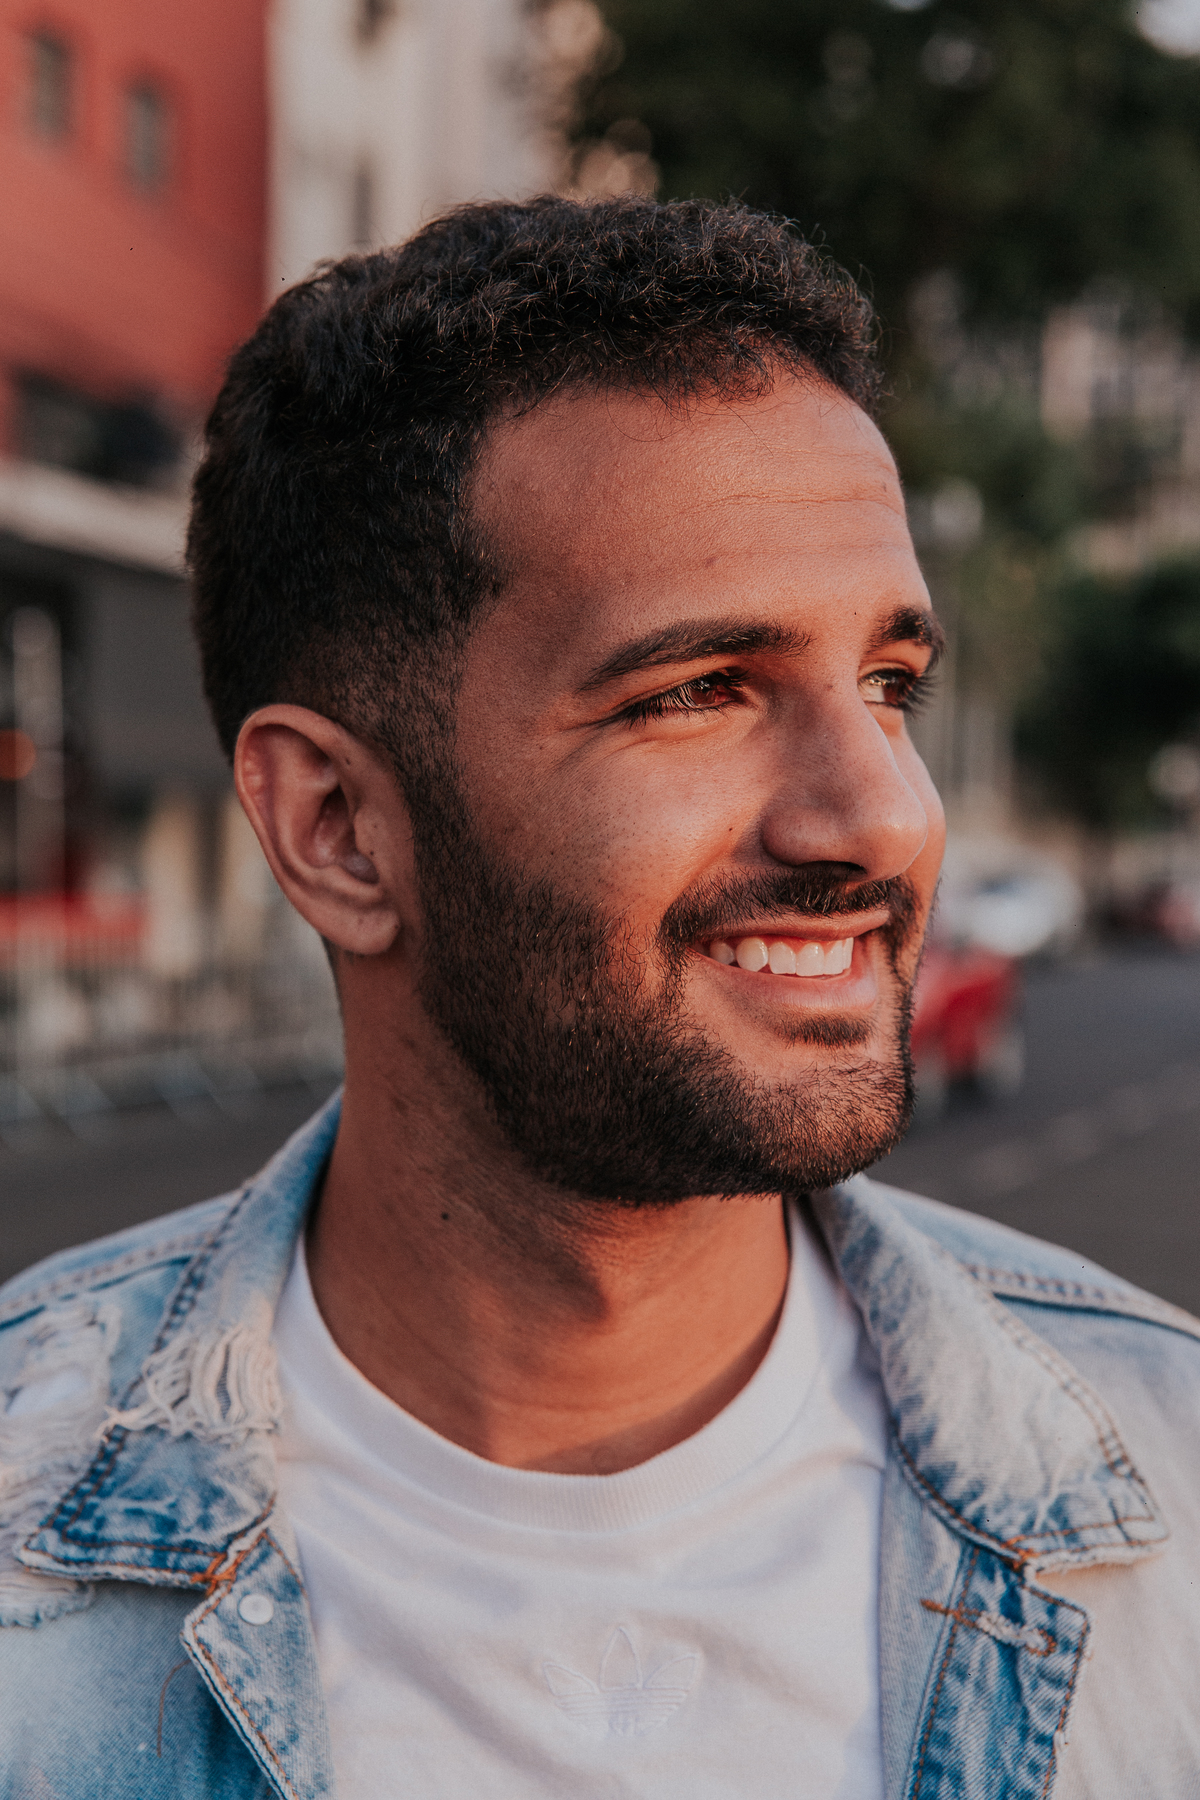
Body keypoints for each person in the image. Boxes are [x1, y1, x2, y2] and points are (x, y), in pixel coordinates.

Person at [2, 198, 1198, 1800]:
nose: (877, 816)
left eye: (888, 685)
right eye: (700, 692)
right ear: (337, 830)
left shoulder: (1175, 1506)